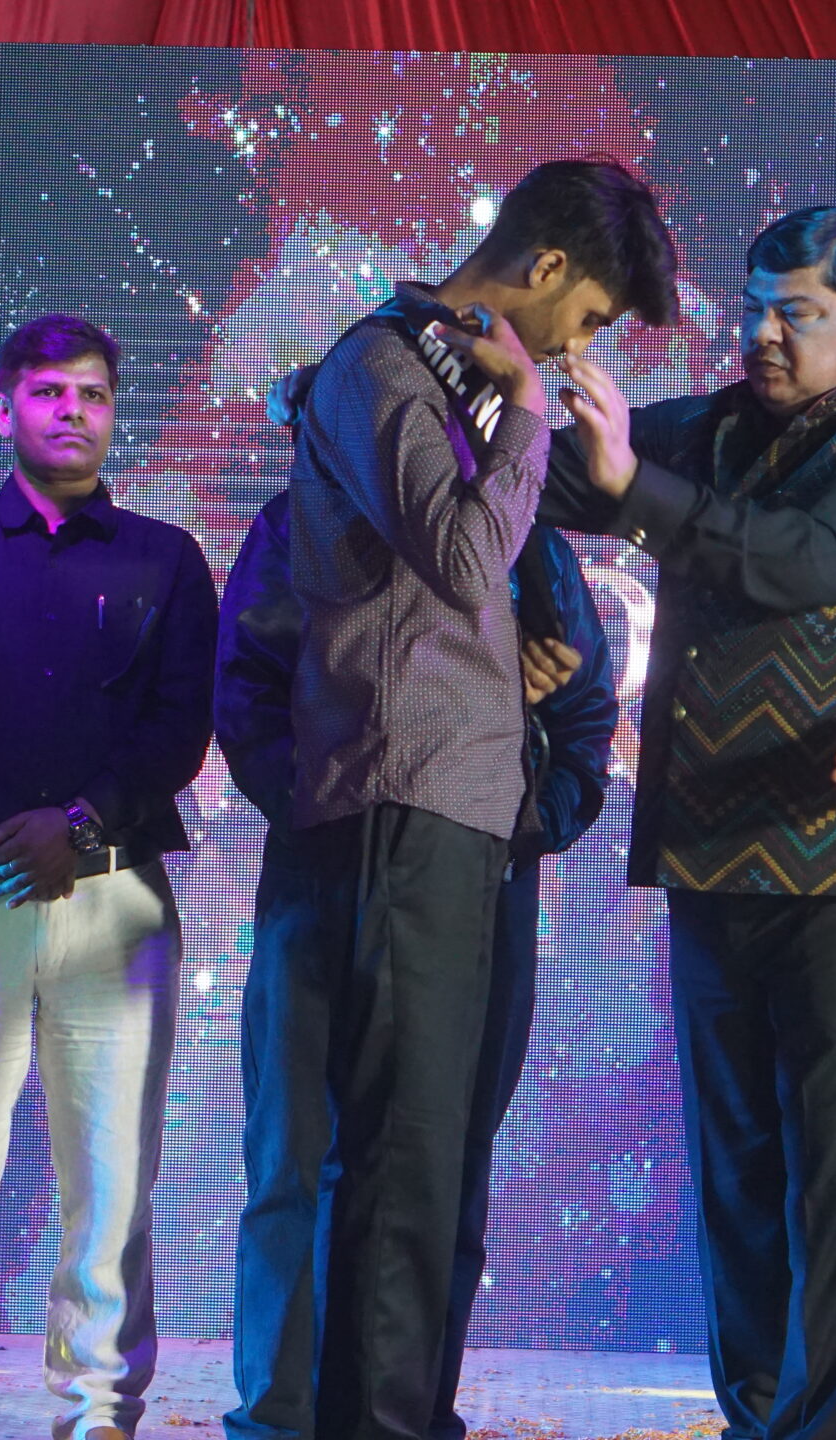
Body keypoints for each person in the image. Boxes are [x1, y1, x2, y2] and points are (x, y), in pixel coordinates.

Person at [502, 205, 836, 1440]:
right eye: (755, 309)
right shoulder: (706, 430)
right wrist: (480, 392)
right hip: (713, 850)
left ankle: (817, 1429)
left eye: (797, 314)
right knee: (735, 1172)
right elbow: (529, 480)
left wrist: (635, 490)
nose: (762, 335)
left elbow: (812, 559)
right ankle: (750, 1416)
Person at [261, 154, 677, 1440]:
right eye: (586, 318)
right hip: (398, 795)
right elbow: (458, 553)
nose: (578, 348)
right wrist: (528, 410)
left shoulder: (457, 384)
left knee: (430, 1159)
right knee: (395, 1162)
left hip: (464, 812)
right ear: (543, 267)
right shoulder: (379, 364)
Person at [0, 314, 217, 1440]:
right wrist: (9, 828)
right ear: (3, 409)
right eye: (51, 391)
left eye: (94, 394)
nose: (74, 411)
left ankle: (98, 1407)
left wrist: (80, 823)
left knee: (110, 1185)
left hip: (116, 903)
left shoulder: (165, 557)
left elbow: (181, 726)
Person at [216, 484, 616, 1440]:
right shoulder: (305, 519)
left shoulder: (529, 543)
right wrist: (328, 810)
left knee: (446, 1161)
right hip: (324, 879)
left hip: (479, 891)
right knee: (294, 1152)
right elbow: (247, 691)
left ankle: (416, 1413)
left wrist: (513, 829)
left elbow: (585, 718)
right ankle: (280, 1418)